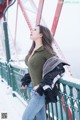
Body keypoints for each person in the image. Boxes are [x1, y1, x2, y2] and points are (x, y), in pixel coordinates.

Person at [22, 25, 56, 120]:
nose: (31, 30)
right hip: (32, 90)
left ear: (41, 34)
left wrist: (42, 86)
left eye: (35, 29)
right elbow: (33, 69)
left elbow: (58, 69)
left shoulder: (46, 51)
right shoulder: (33, 50)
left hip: (40, 93)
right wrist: (26, 80)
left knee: (26, 118)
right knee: (41, 118)